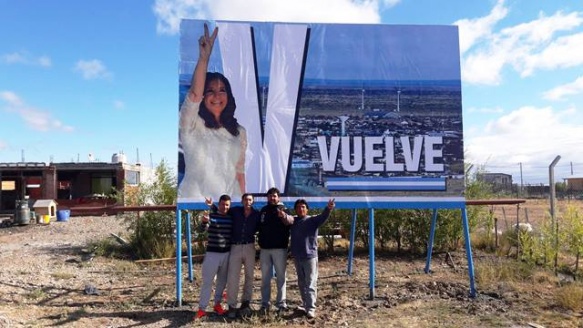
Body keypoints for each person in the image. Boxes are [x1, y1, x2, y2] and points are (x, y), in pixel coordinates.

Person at [178, 23, 247, 201]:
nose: (217, 95)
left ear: (228, 95)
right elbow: (194, 94)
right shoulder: (191, 123)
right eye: (210, 90)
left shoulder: (239, 132)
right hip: (195, 202)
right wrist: (204, 59)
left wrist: (243, 206)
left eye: (222, 90)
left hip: (228, 205)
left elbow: (239, 174)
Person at [281, 198, 335, 319]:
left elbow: (323, 216)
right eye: (298, 207)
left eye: (303, 207)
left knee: (310, 283)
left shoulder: (312, 220)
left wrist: (329, 208)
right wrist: (283, 214)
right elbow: (287, 219)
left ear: (307, 209)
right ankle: (305, 304)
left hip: (310, 257)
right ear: (296, 210)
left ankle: (311, 308)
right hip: (297, 256)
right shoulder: (293, 220)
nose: (301, 209)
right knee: (301, 283)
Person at [195, 194, 233, 319]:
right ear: (219, 204)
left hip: (227, 254)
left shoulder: (231, 217)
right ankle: (202, 309)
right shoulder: (211, 216)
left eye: (227, 204)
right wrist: (203, 222)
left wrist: (212, 205)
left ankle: (217, 305)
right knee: (207, 282)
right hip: (212, 254)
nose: (225, 207)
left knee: (222, 282)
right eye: (222, 204)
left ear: (230, 205)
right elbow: (201, 230)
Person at [257, 187, 293, 314]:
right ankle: (265, 304)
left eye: (275, 196)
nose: (272, 198)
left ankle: (281, 304)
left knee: (281, 278)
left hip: (280, 249)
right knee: (265, 278)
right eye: (270, 195)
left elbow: (290, 222)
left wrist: (283, 216)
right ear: (267, 197)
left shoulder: (284, 209)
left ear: (279, 197)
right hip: (265, 250)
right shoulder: (263, 211)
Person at [224, 193, 260, 318]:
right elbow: (222, 211)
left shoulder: (257, 214)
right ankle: (232, 306)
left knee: (249, 276)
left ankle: (246, 303)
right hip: (235, 247)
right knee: (233, 277)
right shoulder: (234, 211)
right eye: (245, 199)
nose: (247, 201)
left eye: (250, 199)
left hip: (250, 246)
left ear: (253, 201)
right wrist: (211, 206)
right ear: (242, 200)